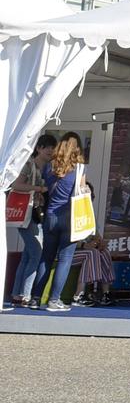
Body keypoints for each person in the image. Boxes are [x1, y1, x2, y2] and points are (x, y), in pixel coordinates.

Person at [28, 134, 88, 312]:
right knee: (64, 260)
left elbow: (46, 188)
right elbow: (82, 190)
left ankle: (35, 298)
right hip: (70, 218)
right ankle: (54, 300)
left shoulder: (49, 166)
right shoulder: (79, 169)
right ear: (77, 149)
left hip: (50, 216)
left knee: (46, 258)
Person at [9, 132, 55, 308]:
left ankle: (17, 294)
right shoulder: (29, 165)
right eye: (47, 147)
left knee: (28, 256)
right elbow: (16, 185)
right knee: (36, 254)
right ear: (39, 148)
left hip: (35, 215)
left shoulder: (47, 168)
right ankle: (26, 295)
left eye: (53, 148)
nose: (50, 150)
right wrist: (39, 188)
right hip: (26, 214)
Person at [72, 232, 115, 306]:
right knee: (92, 253)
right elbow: (65, 240)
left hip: (83, 251)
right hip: (67, 253)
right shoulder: (70, 222)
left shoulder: (89, 221)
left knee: (104, 252)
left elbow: (97, 236)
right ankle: (78, 296)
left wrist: (99, 243)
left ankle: (105, 294)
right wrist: (83, 245)